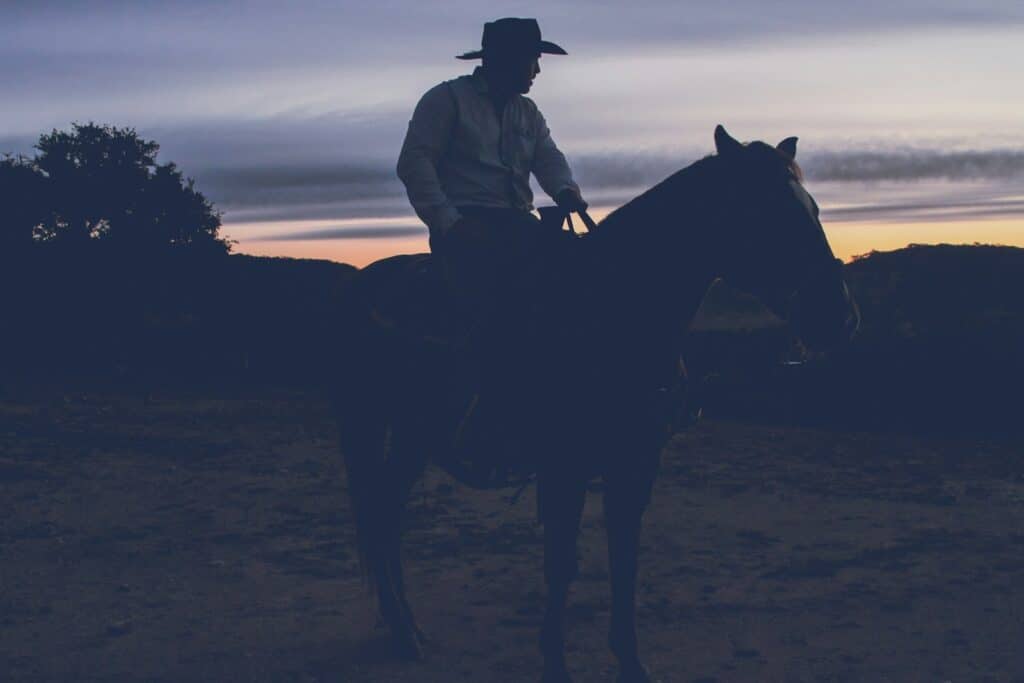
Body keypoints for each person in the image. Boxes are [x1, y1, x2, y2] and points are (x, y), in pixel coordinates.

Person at [396, 17, 588, 475]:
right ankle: (480, 407)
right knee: (495, 309)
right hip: (469, 226)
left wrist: (565, 191)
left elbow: (549, 158)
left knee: (584, 286)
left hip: (519, 225)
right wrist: (450, 223)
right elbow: (415, 163)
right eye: (531, 59)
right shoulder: (446, 101)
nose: (537, 70)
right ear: (503, 61)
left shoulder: (529, 114)